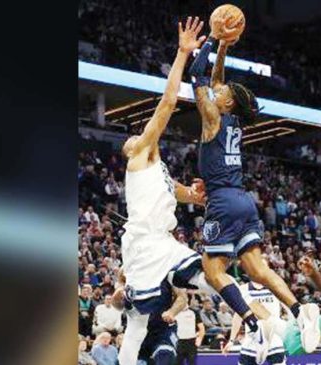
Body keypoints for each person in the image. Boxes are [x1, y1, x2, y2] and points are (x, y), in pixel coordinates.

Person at [188, 19, 321, 356]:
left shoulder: (213, 118)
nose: (217, 92)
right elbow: (216, 81)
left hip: (222, 201)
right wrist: (223, 48)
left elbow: (198, 77)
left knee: (212, 269)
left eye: (221, 94)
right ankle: (299, 310)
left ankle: (252, 324)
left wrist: (210, 41)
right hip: (245, 201)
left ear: (226, 103)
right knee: (258, 270)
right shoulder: (231, 119)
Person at [116, 17, 209, 365]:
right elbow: (168, 102)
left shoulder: (159, 170)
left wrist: (197, 195)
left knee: (140, 322)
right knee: (137, 325)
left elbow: (180, 192)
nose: (135, 136)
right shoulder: (140, 154)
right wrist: (182, 53)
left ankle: (262, 317)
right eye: (131, 139)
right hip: (144, 242)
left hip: (160, 241)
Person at [223, 274, 287, 365]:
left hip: (273, 338)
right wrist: (231, 340)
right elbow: (238, 316)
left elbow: (289, 307)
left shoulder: (275, 287)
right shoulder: (243, 289)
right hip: (252, 339)